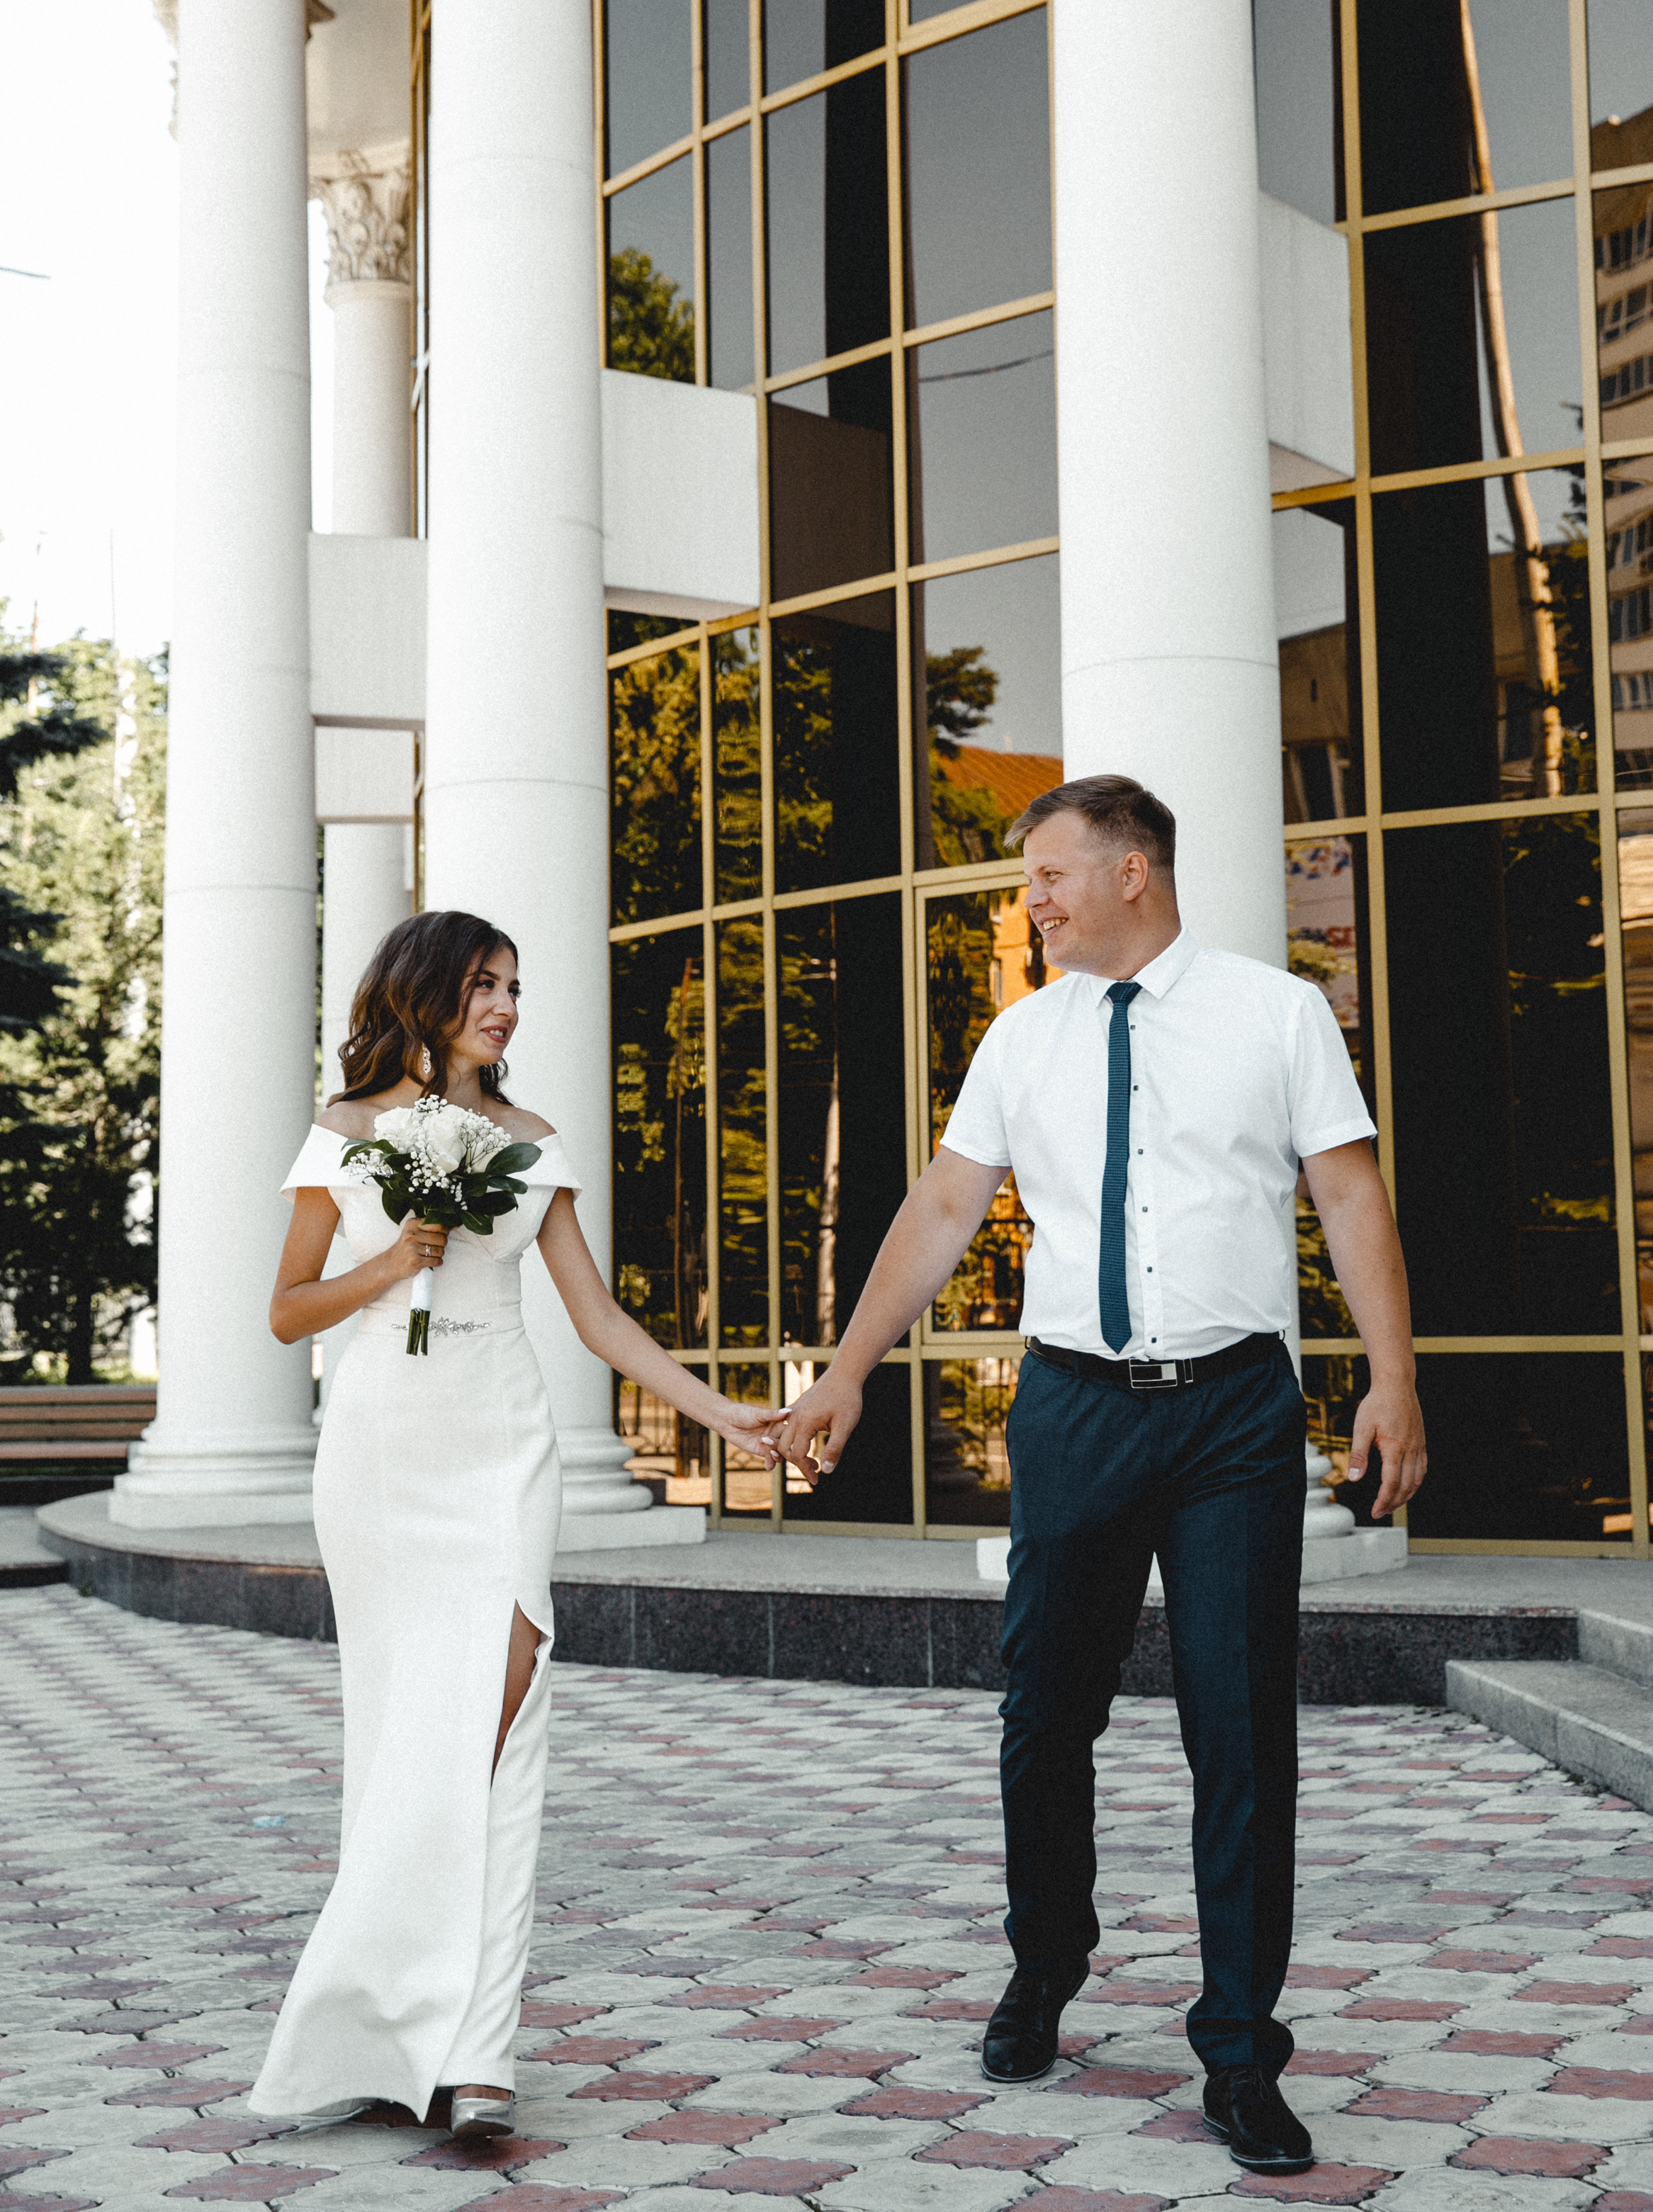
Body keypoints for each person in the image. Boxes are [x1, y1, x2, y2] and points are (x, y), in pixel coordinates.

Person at [766, 777, 1425, 2177]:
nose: (1035, 903)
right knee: (1045, 1710)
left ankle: (1241, 2048)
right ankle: (1045, 1963)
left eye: (1053, 877)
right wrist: (848, 1366)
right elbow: (945, 1205)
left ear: (1136, 870)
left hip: (1234, 1414)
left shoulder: (1276, 1013)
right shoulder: (1023, 1035)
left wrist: (1394, 1373)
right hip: (1072, 1406)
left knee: (1241, 1728)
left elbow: (1350, 1192)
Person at [249, 910, 782, 2138]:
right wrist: (395, 1265)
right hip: (384, 1441)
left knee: (504, 1699)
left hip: (500, 1435)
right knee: (405, 1741)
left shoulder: (532, 1143)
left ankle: (473, 2045)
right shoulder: (346, 1133)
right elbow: (285, 1312)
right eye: (484, 985)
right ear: (424, 995)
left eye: (514, 987)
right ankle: (410, 2039)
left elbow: (598, 1320)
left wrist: (725, 1416)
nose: (505, 1006)